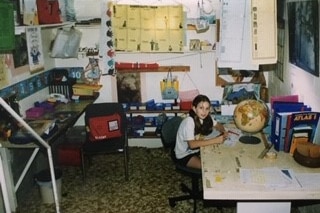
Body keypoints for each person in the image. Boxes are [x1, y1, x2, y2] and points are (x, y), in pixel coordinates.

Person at [174, 94, 228, 169]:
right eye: (201, 108)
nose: (204, 111)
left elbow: (218, 125)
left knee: (219, 158)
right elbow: (192, 145)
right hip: (184, 154)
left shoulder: (206, 117)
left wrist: (224, 131)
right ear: (194, 108)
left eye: (207, 108)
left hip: (196, 150)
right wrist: (215, 140)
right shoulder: (189, 121)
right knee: (209, 167)